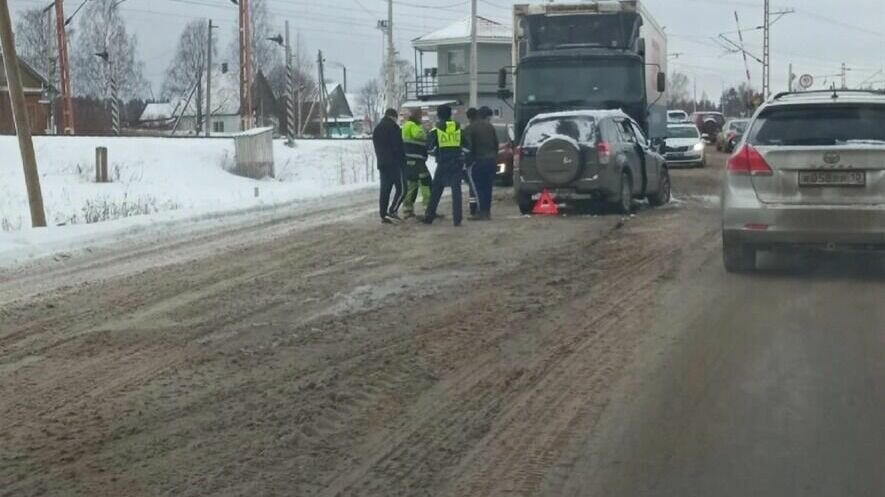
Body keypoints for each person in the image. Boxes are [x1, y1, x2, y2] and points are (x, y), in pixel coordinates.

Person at [422, 105, 464, 226]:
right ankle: (457, 219)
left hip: (443, 163)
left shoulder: (436, 130)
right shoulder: (458, 128)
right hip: (456, 162)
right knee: (456, 191)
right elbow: (466, 145)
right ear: (450, 114)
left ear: (439, 115)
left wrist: (437, 153)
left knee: (436, 190)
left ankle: (429, 216)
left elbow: (429, 147)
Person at [465, 106, 499, 220]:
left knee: (478, 189)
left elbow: (468, 148)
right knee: (488, 187)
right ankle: (487, 211)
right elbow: (496, 144)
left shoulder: (470, 128)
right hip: (491, 160)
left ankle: (481, 212)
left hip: (478, 161)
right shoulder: (490, 127)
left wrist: (468, 162)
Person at [372, 108, 405, 224]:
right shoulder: (394, 128)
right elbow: (398, 147)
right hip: (394, 163)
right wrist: (402, 161)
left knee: (385, 190)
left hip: (382, 163)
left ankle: (383, 214)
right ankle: (393, 210)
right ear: (394, 117)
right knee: (402, 189)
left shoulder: (377, 128)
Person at [400, 108, 431, 219]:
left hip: (409, 160)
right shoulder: (413, 126)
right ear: (418, 117)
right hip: (417, 160)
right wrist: (426, 131)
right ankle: (428, 207)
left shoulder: (406, 125)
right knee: (426, 182)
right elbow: (418, 135)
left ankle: (407, 209)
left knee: (412, 184)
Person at [461, 108, 480, 216]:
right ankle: (481, 207)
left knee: (473, 186)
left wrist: (466, 162)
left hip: (472, 162)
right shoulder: (486, 127)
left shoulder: (468, 129)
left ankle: (474, 208)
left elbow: (467, 148)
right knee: (479, 186)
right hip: (484, 160)